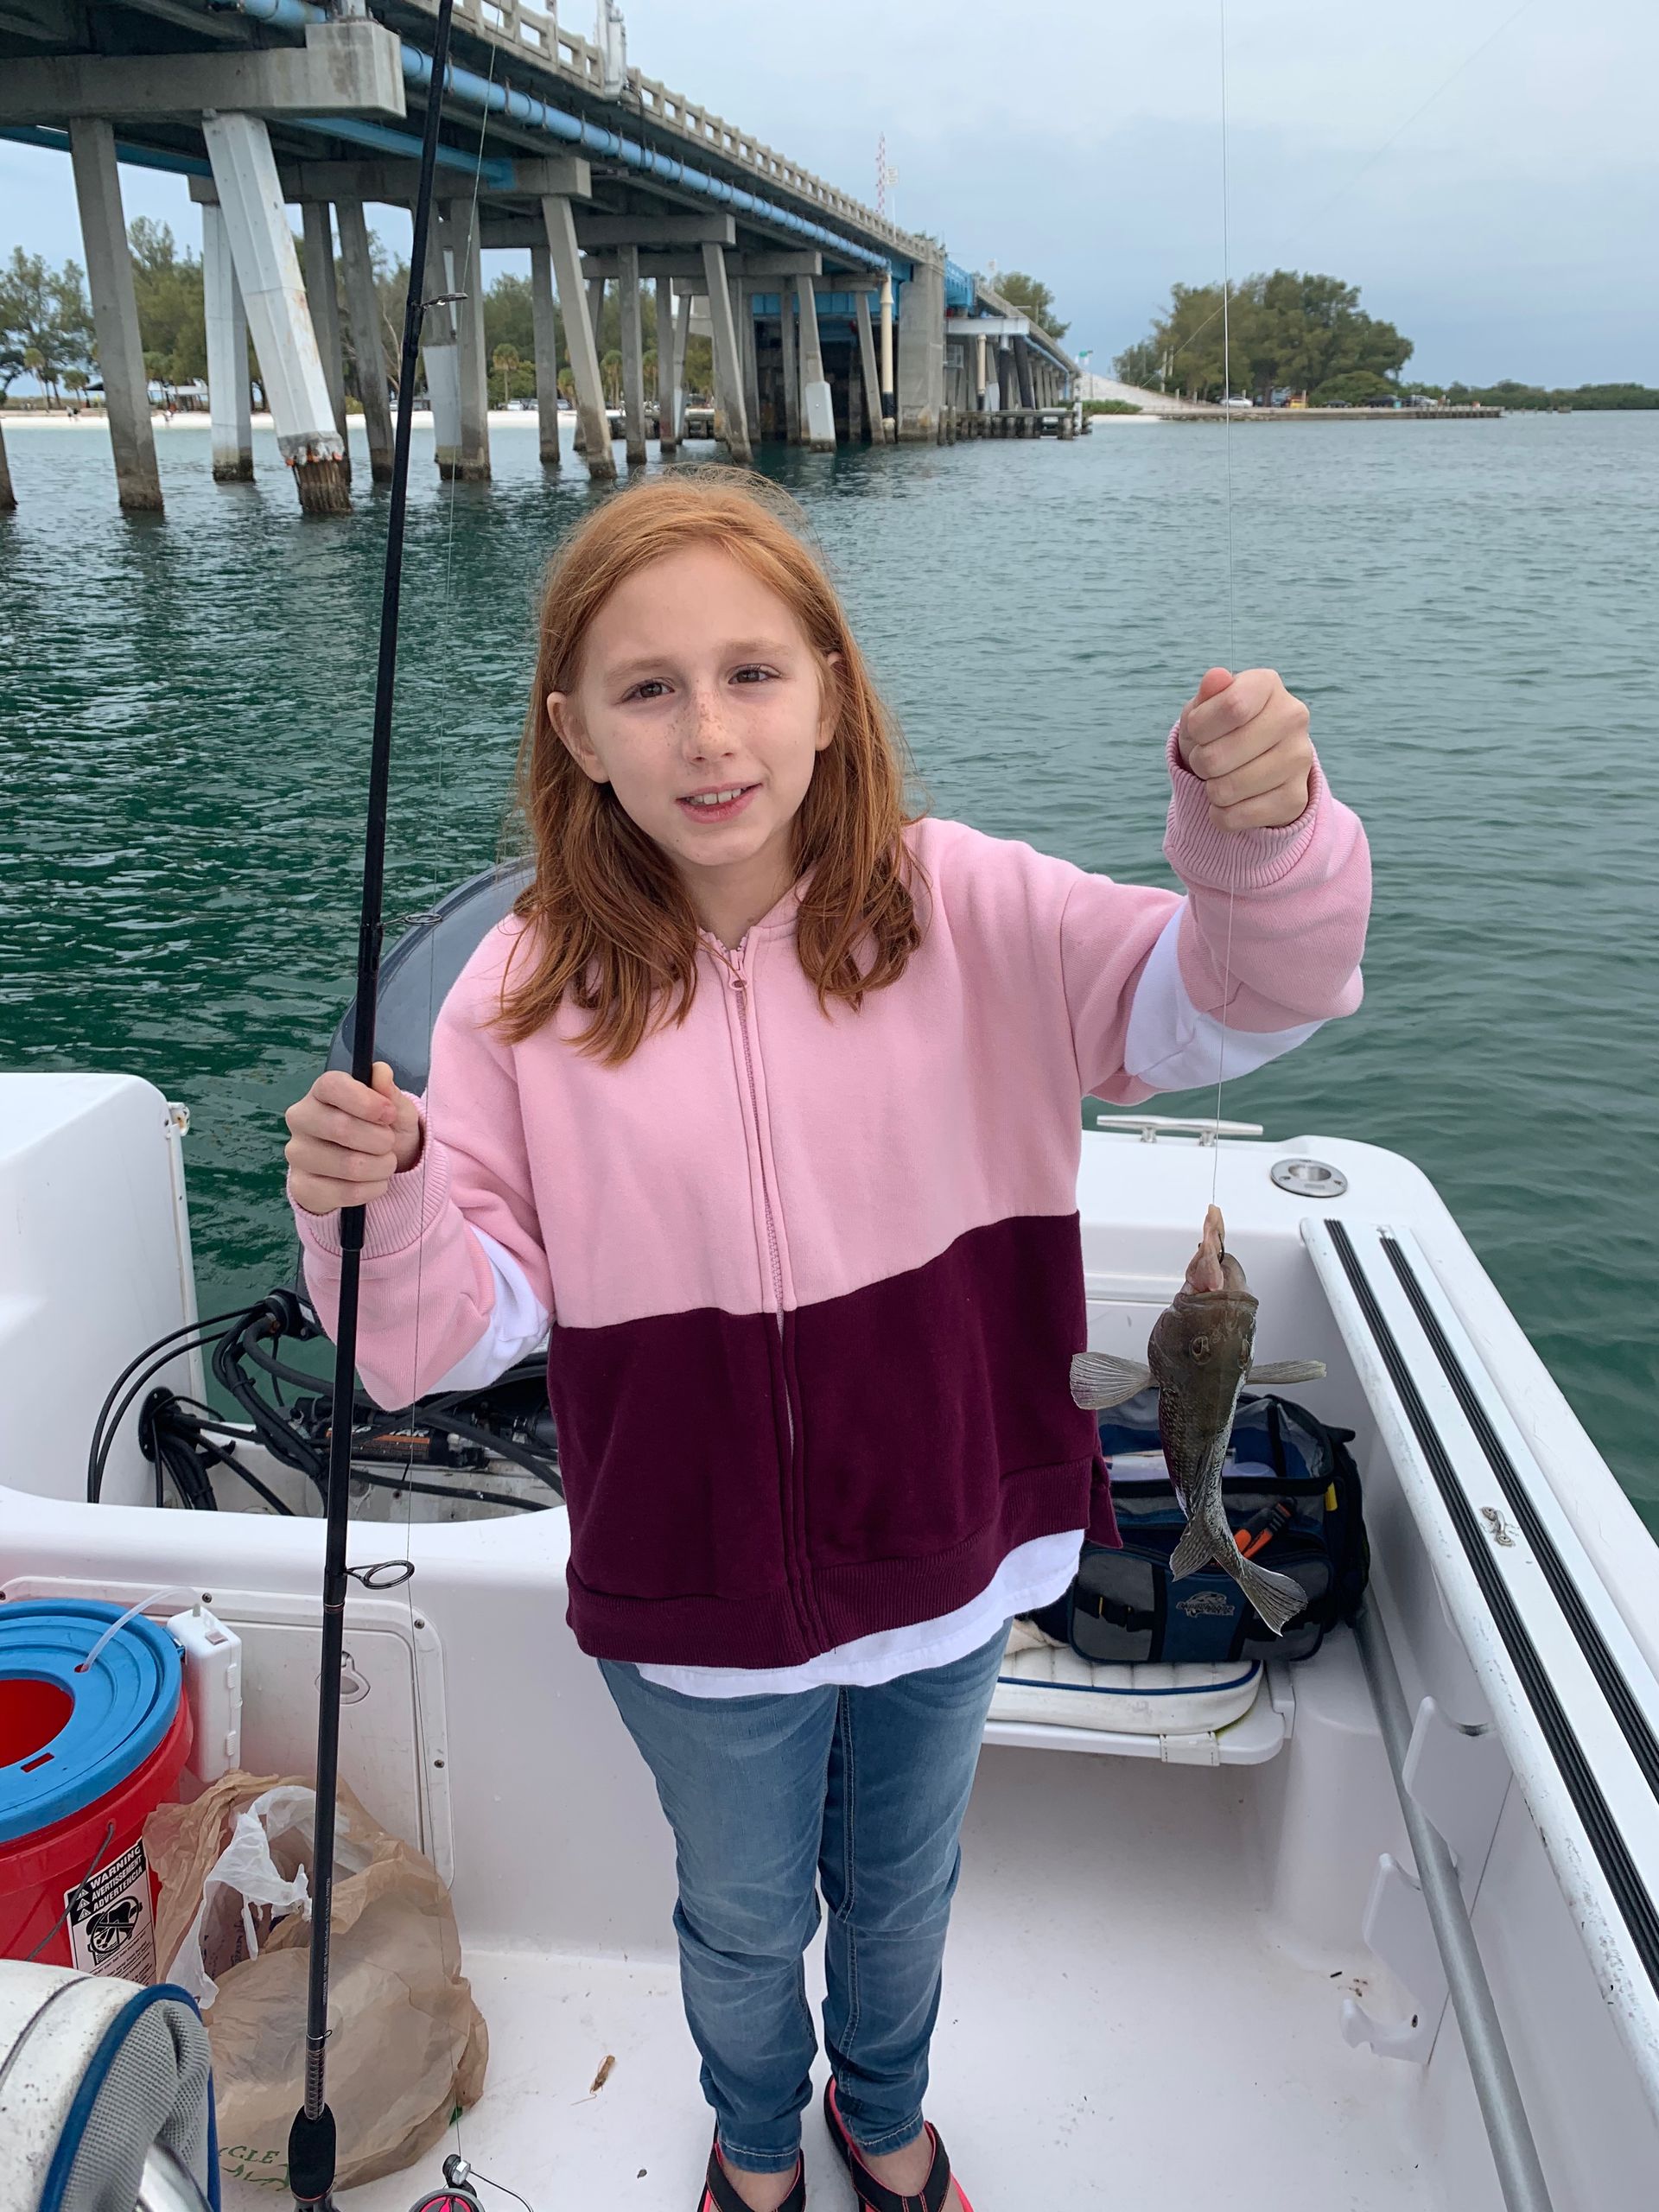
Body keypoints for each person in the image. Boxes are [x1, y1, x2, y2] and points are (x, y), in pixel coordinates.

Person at [283, 472, 1370, 2212]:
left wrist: (1266, 833)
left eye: (753, 672)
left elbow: (1237, 993)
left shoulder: (971, 906)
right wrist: (386, 1200)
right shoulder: (514, 994)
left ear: (834, 688)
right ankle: (756, 2132)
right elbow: (438, 1340)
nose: (708, 733)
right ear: (575, 731)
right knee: (736, 1908)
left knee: (904, 1883)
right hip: (692, 1595)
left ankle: (886, 2109)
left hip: (950, 1554)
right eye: (646, 688)